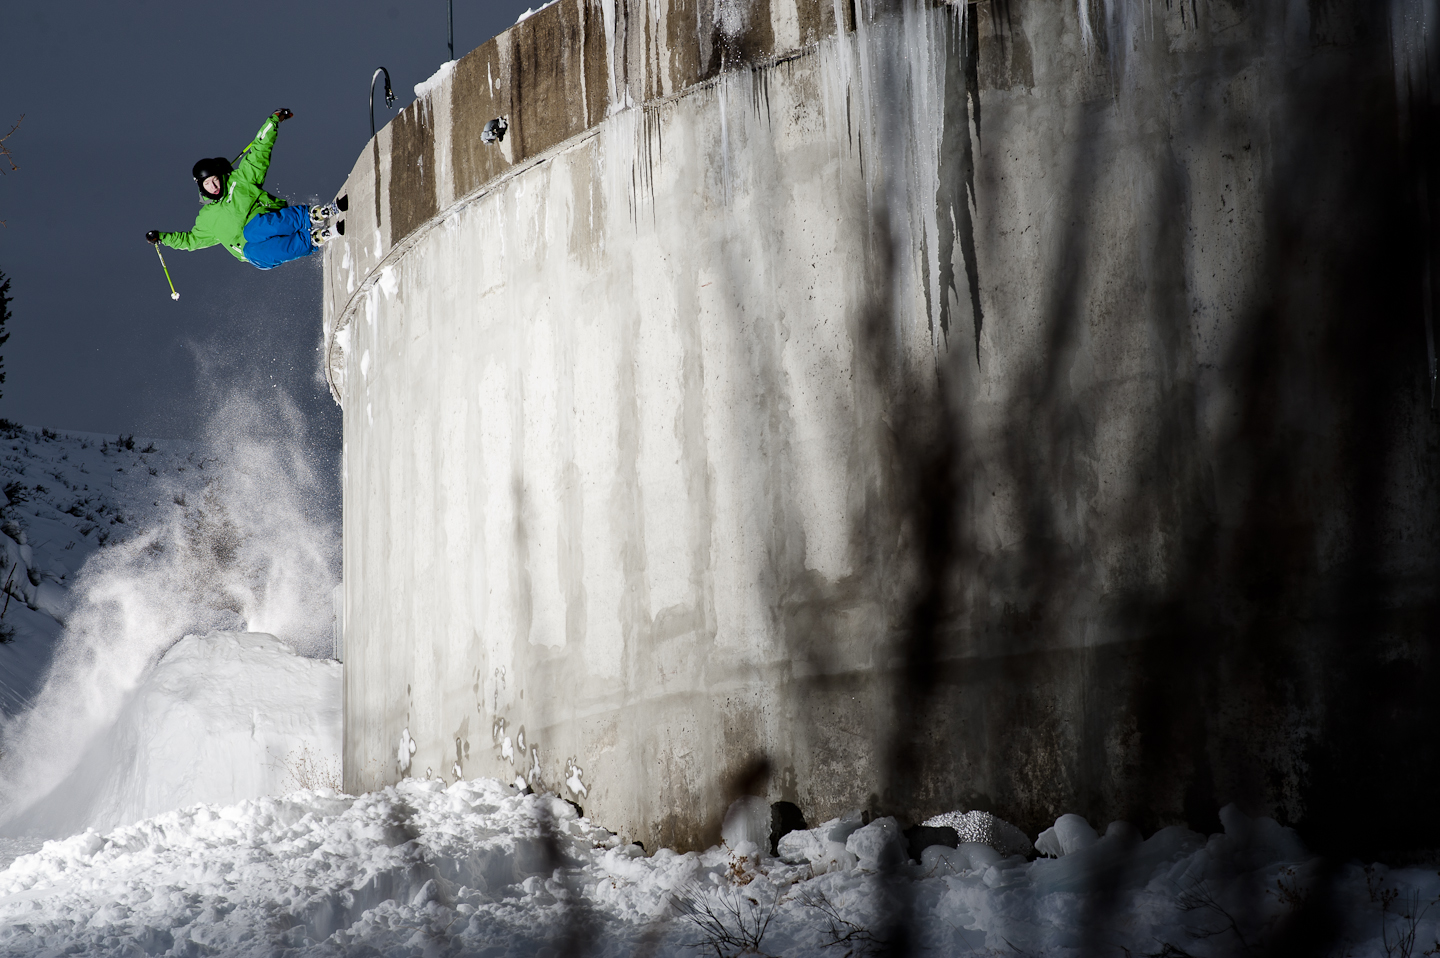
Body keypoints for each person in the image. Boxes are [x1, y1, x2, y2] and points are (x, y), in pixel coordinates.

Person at [145, 109, 343, 270]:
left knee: (252, 231)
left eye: (214, 180)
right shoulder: (207, 219)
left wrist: (273, 121)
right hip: (253, 251)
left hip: (264, 221)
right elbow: (190, 240)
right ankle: (312, 239)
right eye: (207, 184)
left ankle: (312, 216)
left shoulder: (238, 181)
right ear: (201, 187)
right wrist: (162, 237)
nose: (213, 187)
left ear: (220, 177)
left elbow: (258, 152)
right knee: (252, 253)